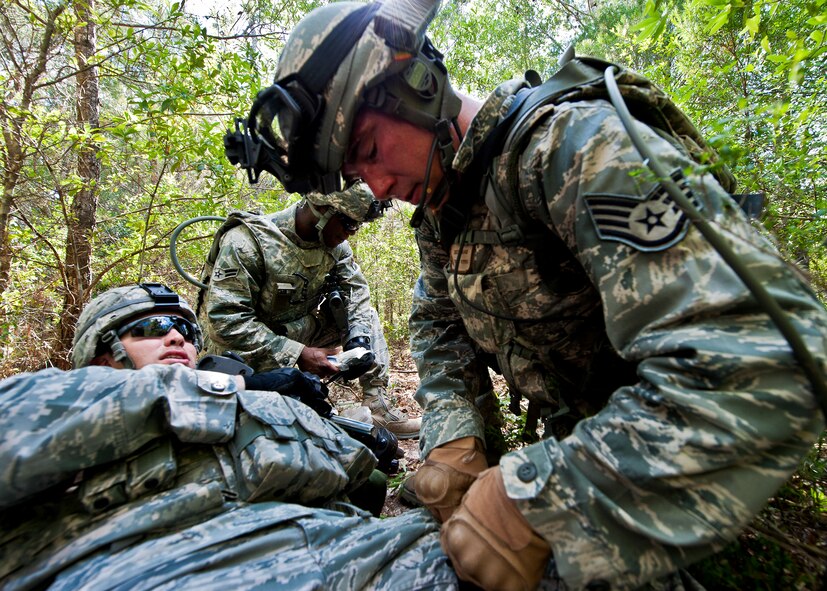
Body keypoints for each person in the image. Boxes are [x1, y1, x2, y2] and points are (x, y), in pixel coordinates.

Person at [245, 2, 827, 590]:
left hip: (684, 479)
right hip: (596, 468)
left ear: (416, 86)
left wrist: (540, 500)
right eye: (355, 174)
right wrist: (456, 438)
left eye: (369, 149)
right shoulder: (444, 216)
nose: (378, 187)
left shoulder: (575, 148)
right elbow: (438, 327)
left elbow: (763, 357)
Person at [0, 283, 458, 590]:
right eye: (153, 328)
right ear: (101, 357)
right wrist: (243, 387)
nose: (176, 337)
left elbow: (357, 481)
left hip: (360, 556)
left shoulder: (247, 407)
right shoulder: (50, 398)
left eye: (184, 329)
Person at [197, 182, 421, 439]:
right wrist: (298, 354)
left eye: (358, 225)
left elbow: (356, 293)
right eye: (349, 223)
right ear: (322, 210)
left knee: (365, 316)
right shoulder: (246, 242)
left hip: (295, 333)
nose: (353, 233)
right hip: (239, 354)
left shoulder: (335, 248)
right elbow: (225, 322)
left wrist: (358, 341)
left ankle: (378, 407)